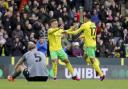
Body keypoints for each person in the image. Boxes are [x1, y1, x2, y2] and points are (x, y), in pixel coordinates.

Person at [66, 14, 105, 81]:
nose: (83, 19)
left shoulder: (85, 25)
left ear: (86, 18)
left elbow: (75, 32)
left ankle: (101, 74)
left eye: (84, 18)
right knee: (85, 57)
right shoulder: (93, 24)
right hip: (92, 44)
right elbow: (90, 33)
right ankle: (97, 69)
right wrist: (82, 36)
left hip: (89, 45)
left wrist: (67, 31)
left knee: (92, 60)